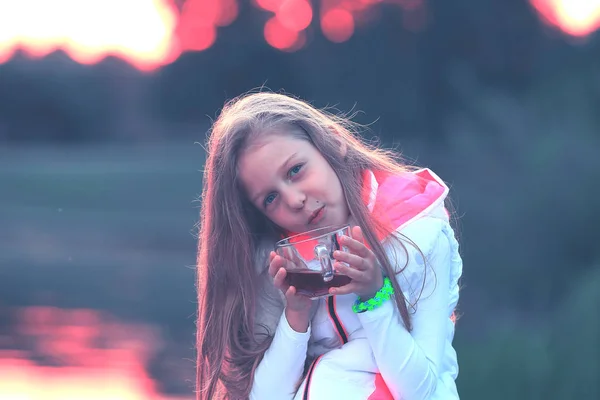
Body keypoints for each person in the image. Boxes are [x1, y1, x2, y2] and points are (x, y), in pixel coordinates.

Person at [196, 92, 462, 400]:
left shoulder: (420, 237)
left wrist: (374, 296)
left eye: (295, 170)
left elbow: (422, 391)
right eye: (270, 198)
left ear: (333, 142)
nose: (295, 200)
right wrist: (296, 314)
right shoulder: (278, 265)